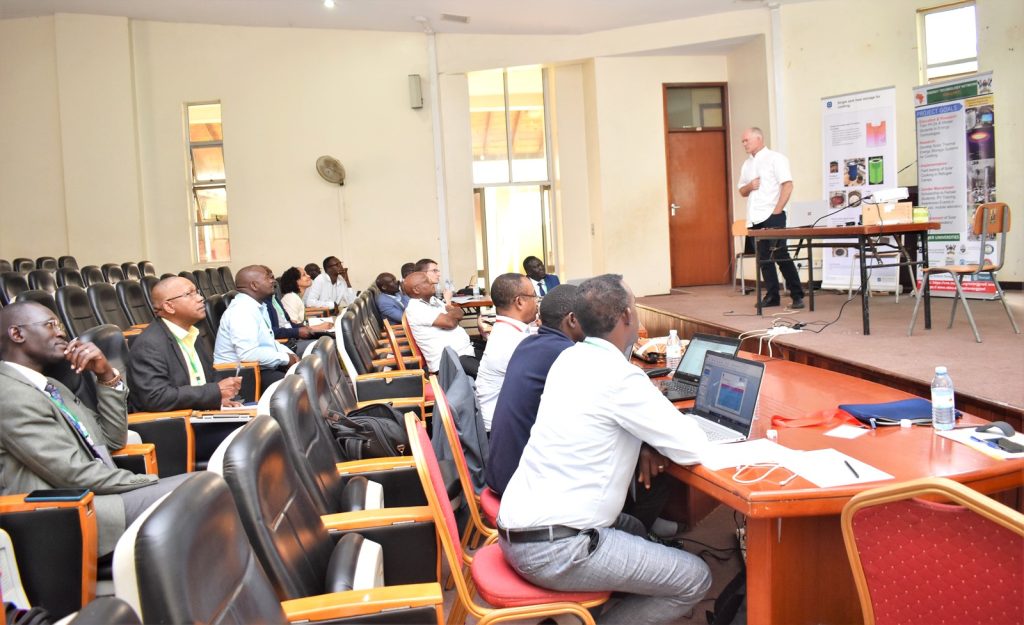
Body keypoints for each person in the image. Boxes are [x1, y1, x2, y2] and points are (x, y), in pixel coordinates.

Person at [497, 274, 712, 625]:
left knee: (633, 527)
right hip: (555, 550)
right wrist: (665, 430)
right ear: (628, 316)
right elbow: (693, 448)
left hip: (516, 528)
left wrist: (648, 438)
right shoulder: (621, 378)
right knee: (694, 578)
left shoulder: (569, 359)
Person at [0, 301, 193, 556]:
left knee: (207, 488)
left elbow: (111, 439)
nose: (61, 332)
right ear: (17, 334)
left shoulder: (49, 385)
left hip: (98, 496)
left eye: (59, 325)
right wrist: (147, 482)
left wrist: (106, 376)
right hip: (66, 511)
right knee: (201, 490)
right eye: (50, 325)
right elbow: (70, 473)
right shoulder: (10, 393)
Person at [486, 284, 582, 495]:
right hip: (522, 487)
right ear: (573, 319)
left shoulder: (528, 344)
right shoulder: (564, 354)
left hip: (502, 471)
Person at [127, 276, 241, 412]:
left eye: (197, 292)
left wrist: (220, 398)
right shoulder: (149, 344)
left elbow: (209, 375)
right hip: (177, 425)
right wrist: (214, 391)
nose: (200, 298)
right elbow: (156, 397)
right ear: (169, 307)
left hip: (202, 413)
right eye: (189, 294)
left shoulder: (191, 332)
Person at [738, 126, 805, 309]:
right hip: (754, 218)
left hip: (772, 214)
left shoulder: (776, 158)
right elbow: (742, 191)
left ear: (758, 139)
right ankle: (772, 295)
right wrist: (750, 185)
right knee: (763, 259)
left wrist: (777, 211)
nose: (744, 144)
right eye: (743, 141)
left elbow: (788, 185)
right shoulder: (747, 164)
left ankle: (797, 294)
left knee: (780, 255)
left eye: (747, 140)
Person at [214, 265, 298, 392]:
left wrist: (290, 355)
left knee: (303, 376)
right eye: (267, 278)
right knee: (295, 387)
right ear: (254, 285)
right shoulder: (242, 310)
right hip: (241, 376)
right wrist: (285, 359)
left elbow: (269, 342)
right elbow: (248, 354)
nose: (273, 281)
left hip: (257, 368)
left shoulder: (257, 306)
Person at [474, 273, 538, 431]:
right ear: (520, 301)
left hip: (499, 419)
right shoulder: (513, 342)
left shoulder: (504, 329)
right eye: (534, 297)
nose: (537, 303)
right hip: (502, 431)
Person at [403, 271, 479, 375]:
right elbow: (450, 323)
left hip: (465, 352)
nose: (432, 283)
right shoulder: (415, 308)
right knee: (492, 376)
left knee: (495, 358)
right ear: (416, 289)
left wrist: (451, 313)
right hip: (450, 363)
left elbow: (460, 313)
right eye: (427, 281)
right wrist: (451, 315)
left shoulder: (434, 300)